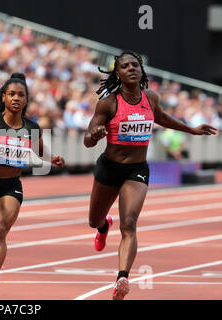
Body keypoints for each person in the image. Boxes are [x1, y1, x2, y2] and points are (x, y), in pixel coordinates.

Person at [84, 50, 218, 300]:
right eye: (125, 66)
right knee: (93, 220)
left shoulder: (151, 98)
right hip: (109, 168)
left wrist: (191, 130)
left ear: (141, 70)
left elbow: (163, 118)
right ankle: (103, 226)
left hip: (136, 169)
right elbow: (87, 140)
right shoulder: (108, 102)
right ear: (118, 73)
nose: (131, 68)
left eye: (135, 65)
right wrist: (95, 135)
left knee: (130, 223)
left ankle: (122, 278)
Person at [0, 73, 65, 300]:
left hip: (11, 187)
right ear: (4, 97)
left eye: (21, 95)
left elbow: (39, 149)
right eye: (11, 94)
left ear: (26, 99)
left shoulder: (32, 127)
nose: (16, 98)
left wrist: (53, 158)